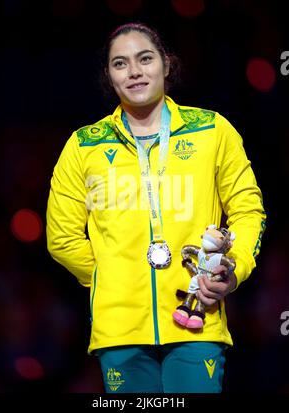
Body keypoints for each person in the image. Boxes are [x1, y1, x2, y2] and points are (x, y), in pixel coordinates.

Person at [46, 22, 266, 393]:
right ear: (109, 76)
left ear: (166, 64)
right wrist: (112, 278)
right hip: (118, 330)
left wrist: (233, 270)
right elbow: (61, 238)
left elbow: (247, 209)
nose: (134, 71)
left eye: (144, 59)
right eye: (120, 63)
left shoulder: (212, 130)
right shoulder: (83, 145)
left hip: (198, 316)